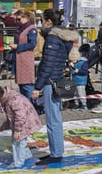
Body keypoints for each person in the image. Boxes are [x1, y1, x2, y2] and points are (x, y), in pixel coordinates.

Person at [32, 9, 79, 165]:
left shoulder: (53, 38)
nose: (40, 23)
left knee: (53, 120)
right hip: (57, 79)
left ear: (49, 22)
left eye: (42, 20)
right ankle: (56, 151)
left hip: (51, 82)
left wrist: (37, 86)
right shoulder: (63, 37)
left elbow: (48, 64)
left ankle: (56, 153)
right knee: (55, 118)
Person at [0, 83, 43, 168]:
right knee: (20, 141)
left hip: (25, 122)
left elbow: (21, 116)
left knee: (17, 142)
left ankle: (18, 163)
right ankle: (27, 156)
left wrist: (17, 130)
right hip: (21, 122)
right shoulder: (6, 98)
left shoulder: (14, 99)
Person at [9, 9, 40, 112]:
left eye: (18, 19)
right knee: (21, 85)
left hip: (26, 60)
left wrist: (17, 46)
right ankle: (25, 109)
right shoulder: (21, 28)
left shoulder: (31, 29)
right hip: (19, 60)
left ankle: (32, 109)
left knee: (27, 85)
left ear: (26, 17)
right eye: (16, 19)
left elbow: (32, 44)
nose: (17, 21)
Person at [70, 44, 90, 111]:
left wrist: (77, 70)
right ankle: (77, 104)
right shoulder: (73, 63)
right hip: (74, 81)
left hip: (81, 81)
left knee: (81, 93)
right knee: (75, 94)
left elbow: (85, 72)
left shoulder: (83, 63)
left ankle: (84, 104)